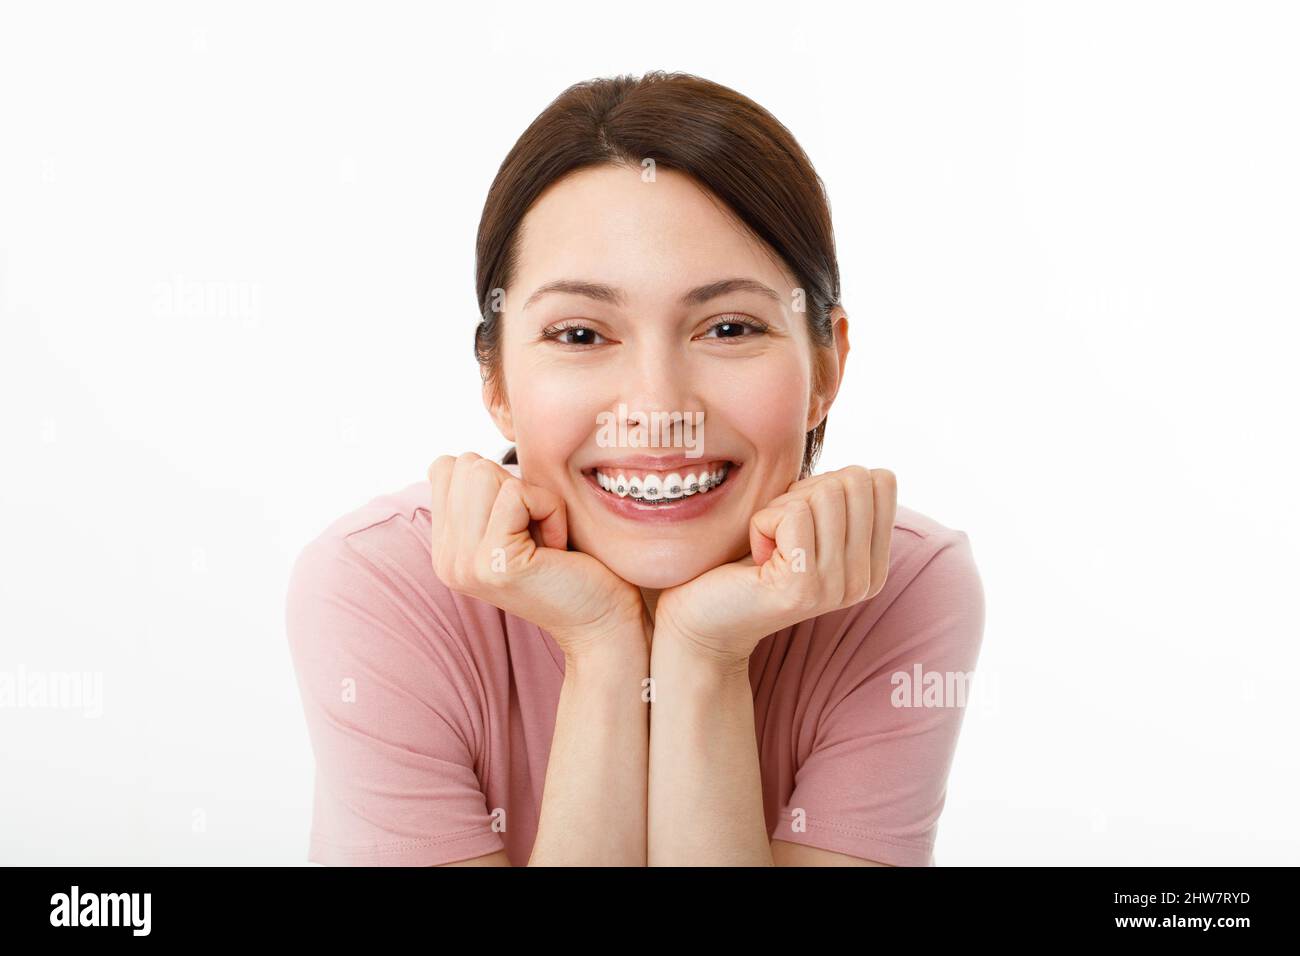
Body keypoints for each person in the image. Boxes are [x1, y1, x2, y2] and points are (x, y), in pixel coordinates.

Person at [286, 71, 985, 866]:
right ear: (497, 381)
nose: (658, 409)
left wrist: (703, 658)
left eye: (727, 327)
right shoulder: (380, 591)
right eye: (581, 335)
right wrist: (600, 648)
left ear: (827, 366)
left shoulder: (895, 589)